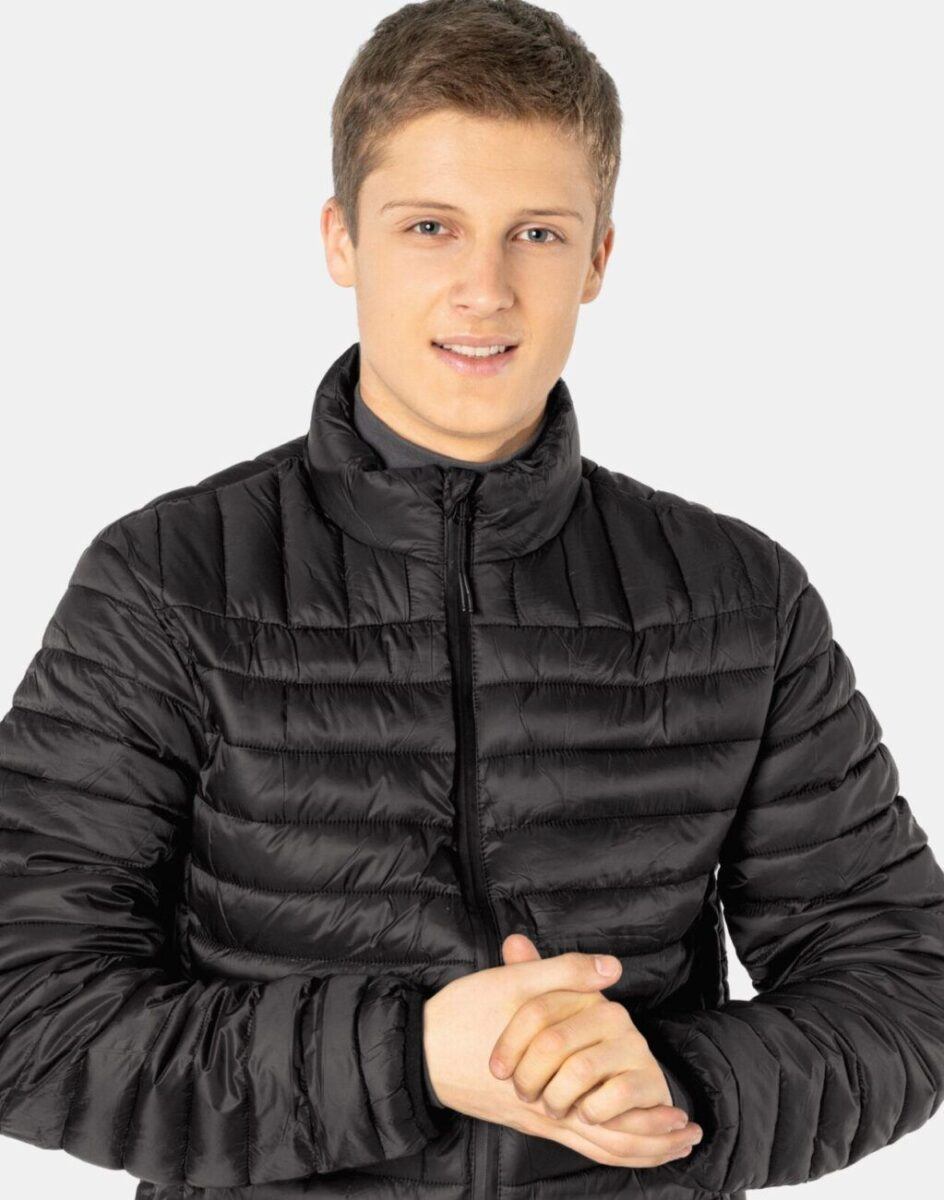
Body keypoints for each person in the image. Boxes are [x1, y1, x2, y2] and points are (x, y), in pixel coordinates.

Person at [1, 2, 942, 1199]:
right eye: (430, 227)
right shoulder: (167, 583)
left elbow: (902, 986)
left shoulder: (738, 599)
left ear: (597, 258)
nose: (483, 289)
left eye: (536, 233)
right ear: (342, 240)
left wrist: (687, 1083)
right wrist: (407, 1058)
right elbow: (26, 1008)